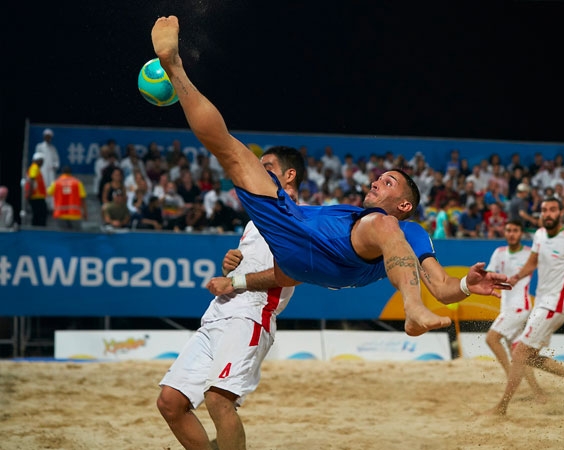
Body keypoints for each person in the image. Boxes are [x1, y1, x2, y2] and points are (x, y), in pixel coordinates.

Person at [150, 16, 510, 337]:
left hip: (347, 254)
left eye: (388, 182)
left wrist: (466, 284)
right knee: (229, 150)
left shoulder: (408, 231)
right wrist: (237, 280)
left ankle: (413, 310)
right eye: (378, 178)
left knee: (385, 227)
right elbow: (288, 275)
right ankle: (175, 67)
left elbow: (444, 288)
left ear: (404, 203)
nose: (375, 182)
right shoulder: (340, 214)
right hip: (295, 239)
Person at [157, 146, 302, 450]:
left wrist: (233, 280)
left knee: (218, 400)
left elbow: (290, 274)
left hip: (252, 315)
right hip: (218, 314)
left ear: (290, 176)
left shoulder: (298, 218)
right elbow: (249, 266)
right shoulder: (255, 220)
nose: (258, 172)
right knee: (170, 402)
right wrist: (233, 262)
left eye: (268, 167)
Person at [488, 197, 564, 415]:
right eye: (544, 210)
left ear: (561, 213)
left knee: (519, 353)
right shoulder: (540, 234)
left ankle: (501, 408)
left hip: (554, 306)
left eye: (552, 210)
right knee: (528, 356)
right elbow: (532, 262)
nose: (548, 213)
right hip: (541, 305)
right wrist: (516, 277)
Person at [485, 219, 546, 403]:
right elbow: (489, 275)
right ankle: (539, 393)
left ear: (521, 233)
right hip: (507, 306)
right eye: (509, 230)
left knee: (492, 338)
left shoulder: (530, 254)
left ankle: (512, 378)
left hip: (520, 306)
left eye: (515, 230)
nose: (511, 233)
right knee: (519, 354)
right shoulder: (499, 253)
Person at [46, 166, 88, 230]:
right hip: (74, 214)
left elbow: (48, 193)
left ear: (62, 173)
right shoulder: (77, 183)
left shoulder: (56, 183)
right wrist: (85, 212)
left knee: (63, 237)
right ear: (71, 173)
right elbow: (82, 198)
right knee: (75, 237)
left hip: (60, 214)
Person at [35, 128, 60, 209]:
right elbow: (37, 158)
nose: (48, 138)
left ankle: (51, 207)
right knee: (43, 187)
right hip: (42, 171)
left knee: (51, 187)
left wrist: (55, 166)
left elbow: (56, 160)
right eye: (46, 136)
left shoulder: (53, 148)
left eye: (49, 137)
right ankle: (44, 206)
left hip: (51, 172)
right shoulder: (39, 146)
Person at [25, 152, 48, 227]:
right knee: (39, 215)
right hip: (36, 196)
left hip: (37, 196)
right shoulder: (34, 167)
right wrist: (29, 194)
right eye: (42, 161)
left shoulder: (35, 168)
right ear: (38, 160)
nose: (42, 163)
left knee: (38, 215)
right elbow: (32, 181)